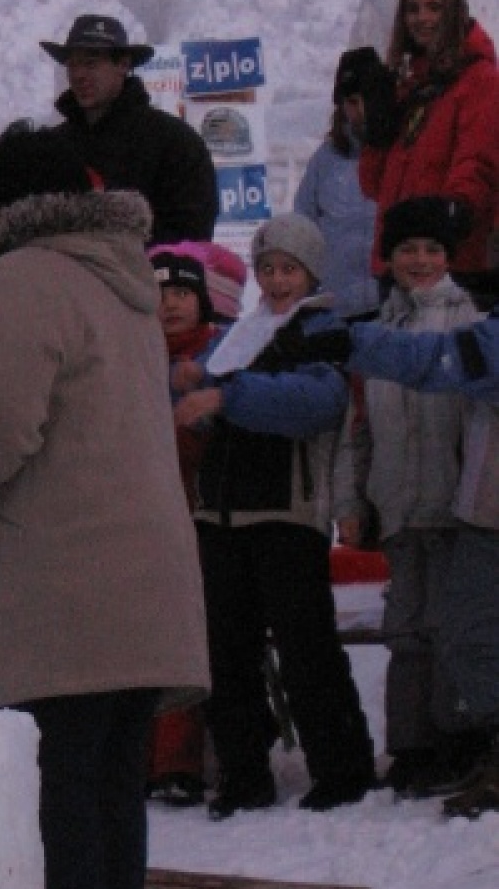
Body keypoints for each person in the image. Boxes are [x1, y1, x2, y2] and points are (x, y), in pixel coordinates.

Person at [0, 123, 209, 889]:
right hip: (145, 570)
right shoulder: (124, 275)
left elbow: (4, 419)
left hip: (67, 572)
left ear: (6, 205)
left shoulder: (20, 277)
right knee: (111, 800)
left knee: (62, 805)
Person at [173, 212, 376, 818]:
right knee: (225, 651)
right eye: (268, 268)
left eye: (289, 268)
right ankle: (243, 771)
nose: (278, 279)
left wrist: (224, 396)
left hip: (288, 514)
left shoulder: (320, 330)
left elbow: (313, 403)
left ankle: (341, 767)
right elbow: (203, 405)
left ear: (311, 272)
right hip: (222, 514)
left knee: (306, 648)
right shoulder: (237, 334)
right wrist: (187, 387)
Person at [273, 300, 499, 818]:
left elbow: (442, 359)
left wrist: (351, 341)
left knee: (471, 636)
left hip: (485, 515)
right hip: (482, 510)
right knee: (467, 636)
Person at [333, 196, 478, 797]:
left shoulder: (470, 323)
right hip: (398, 504)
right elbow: (357, 430)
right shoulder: (375, 333)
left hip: (457, 507)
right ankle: (411, 743)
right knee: (406, 627)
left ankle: (458, 738)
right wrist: (351, 500)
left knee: (454, 626)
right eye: (408, 249)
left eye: (432, 249)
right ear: (388, 257)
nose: (420, 260)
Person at [356, 0, 499, 306]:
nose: (422, 18)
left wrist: (452, 217)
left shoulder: (479, 80)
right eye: (413, 9)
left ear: (455, 12)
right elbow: (372, 186)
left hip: (451, 260)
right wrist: (376, 136)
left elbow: (477, 162)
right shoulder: (410, 87)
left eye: (434, 7)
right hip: (400, 261)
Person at [144, 248, 228, 807]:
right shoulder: (130, 355)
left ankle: (178, 760)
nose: (170, 304)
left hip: (202, 518)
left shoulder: (222, 356)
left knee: (185, 639)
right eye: (160, 293)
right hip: (139, 521)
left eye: (182, 293)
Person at [40, 14, 218, 243]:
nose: (78, 75)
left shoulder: (174, 142)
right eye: (72, 64)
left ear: (123, 65)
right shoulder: (52, 148)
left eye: (91, 63)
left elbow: (190, 234)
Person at [294, 48, 382, 318]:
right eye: (353, 101)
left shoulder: (403, 154)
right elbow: (302, 232)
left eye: (370, 99)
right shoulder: (325, 161)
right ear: (341, 105)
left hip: (391, 308)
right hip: (336, 310)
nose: (362, 111)